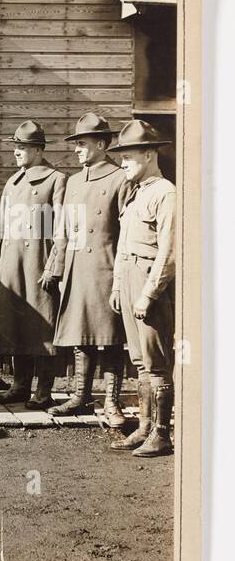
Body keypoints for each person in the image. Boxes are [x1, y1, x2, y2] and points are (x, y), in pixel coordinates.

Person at [40, 113, 131, 424]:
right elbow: (63, 230)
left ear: (103, 144)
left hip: (105, 267)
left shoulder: (120, 179)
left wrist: (121, 276)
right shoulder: (75, 181)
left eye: (83, 143)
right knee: (82, 335)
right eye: (76, 143)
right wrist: (56, 266)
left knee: (110, 337)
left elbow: (126, 231)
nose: (77, 149)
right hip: (77, 269)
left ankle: (111, 402)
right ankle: (80, 396)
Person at [107, 120, 176, 457]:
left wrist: (148, 292)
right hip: (131, 276)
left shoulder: (165, 192)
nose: (123, 164)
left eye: (129, 157)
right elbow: (124, 245)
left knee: (157, 362)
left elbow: (169, 250)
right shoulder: (137, 194)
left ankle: (162, 434)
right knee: (139, 361)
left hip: (151, 281)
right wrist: (119, 285)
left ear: (149, 154)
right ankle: (145, 428)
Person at [0, 120, 67, 408]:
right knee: (16, 324)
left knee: (42, 327)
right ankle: (19, 386)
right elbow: (1, 227)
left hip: (38, 263)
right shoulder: (12, 181)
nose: (16, 152)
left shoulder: (56, 179)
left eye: (22, 147)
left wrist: (53, 266)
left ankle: (44, 391)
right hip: (11, 263)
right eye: (15, 147)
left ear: (37, 149)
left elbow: (61, 229)